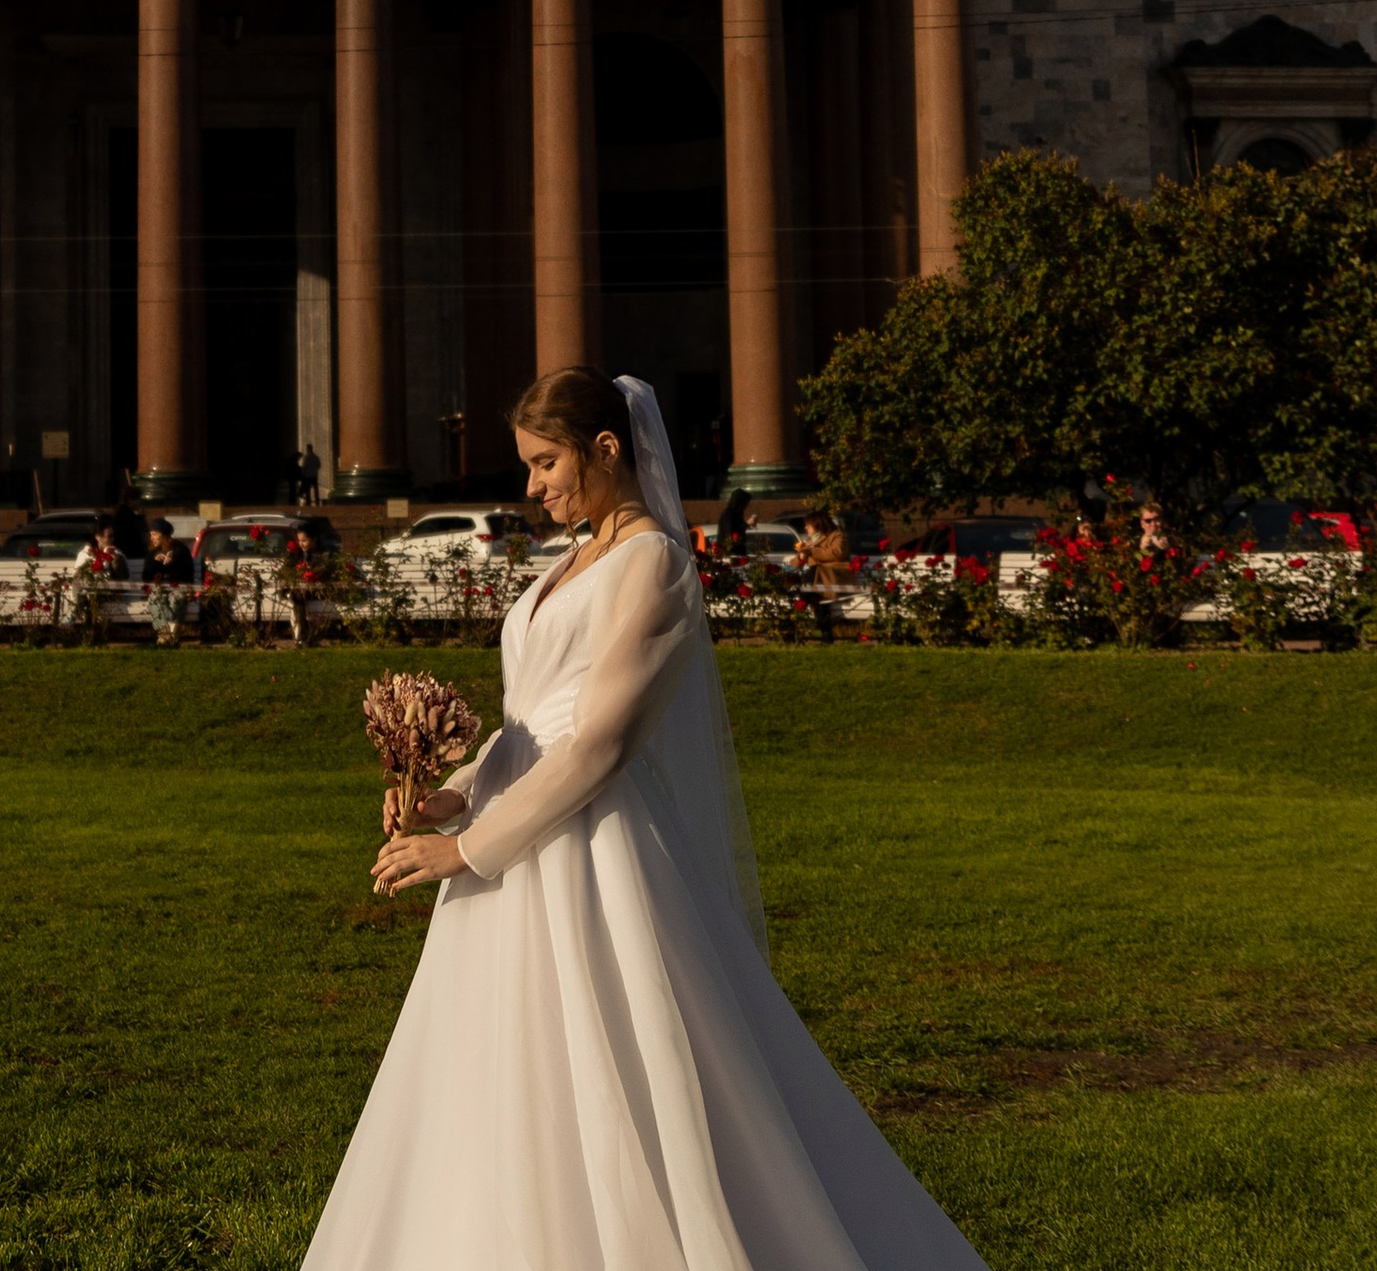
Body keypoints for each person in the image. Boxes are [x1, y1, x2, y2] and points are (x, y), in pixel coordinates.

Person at [311, 366, 990, 1271]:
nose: (533, 486)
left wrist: (467, 850)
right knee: (499, 1074)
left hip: (591, 847)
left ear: (606, 449)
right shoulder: (572, 562)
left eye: (546, 463)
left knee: (617, 1065)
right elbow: (532, 723)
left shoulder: (655, 563)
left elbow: (598, 745)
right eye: (528, 466)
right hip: (516, 832)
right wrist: (455, 790)